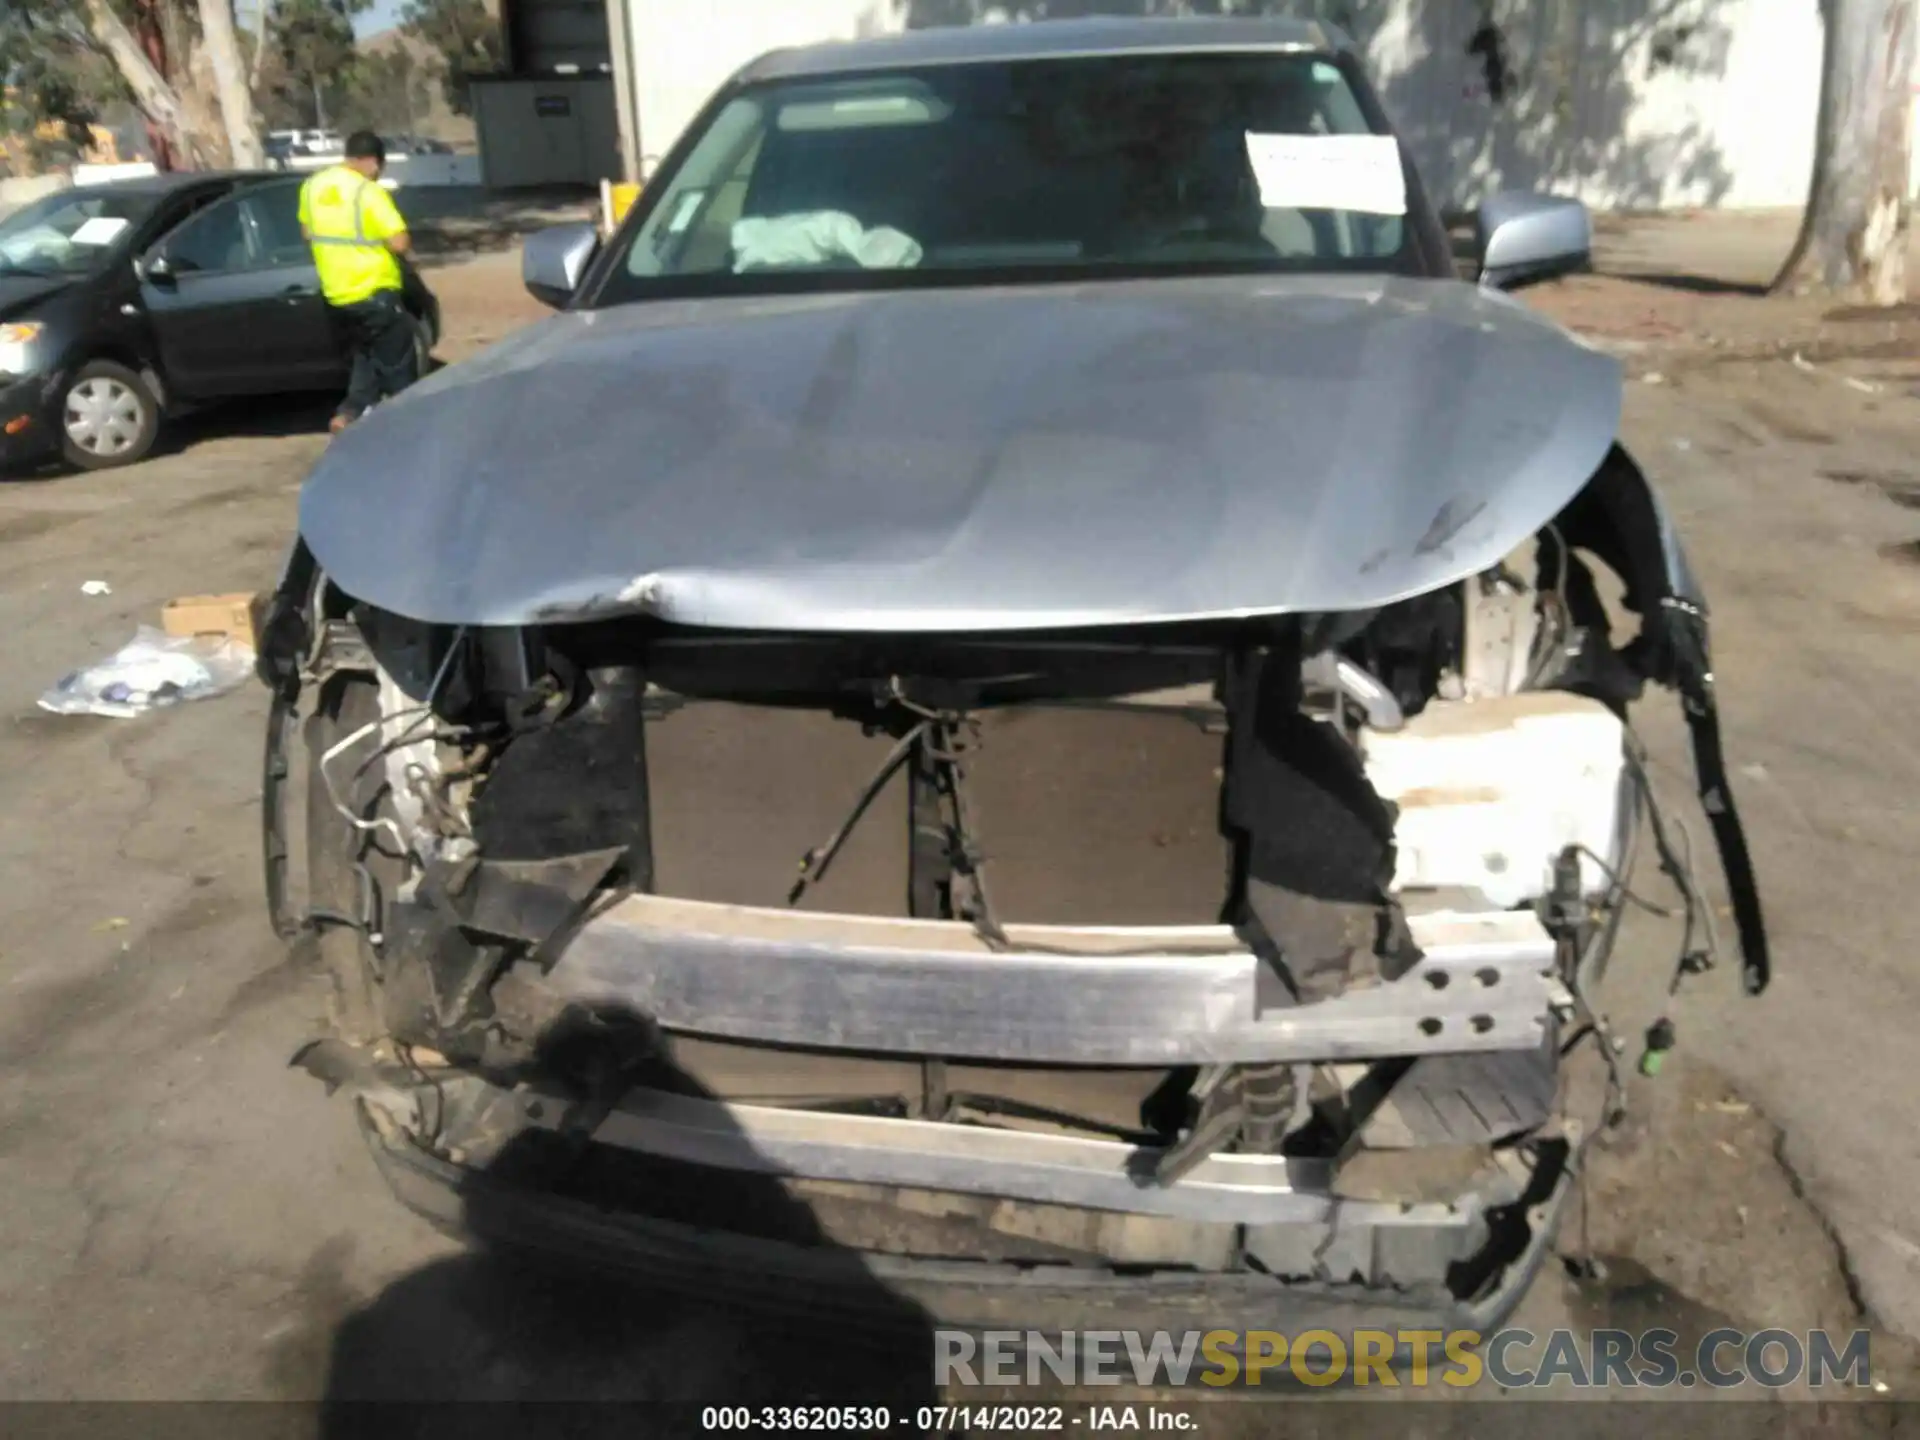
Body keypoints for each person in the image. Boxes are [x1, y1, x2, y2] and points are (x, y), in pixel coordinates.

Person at [298, 130, 420, 434]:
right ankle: (409, 430)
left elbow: (306, 232)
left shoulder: (312, 186)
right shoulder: (368, 192)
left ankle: (348, 414)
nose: (378, 174)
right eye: (379, 168)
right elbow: (400, 242)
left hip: (336, 296)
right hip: (373, 291)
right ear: (373, 162)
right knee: (398, 367)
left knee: (365, 357)